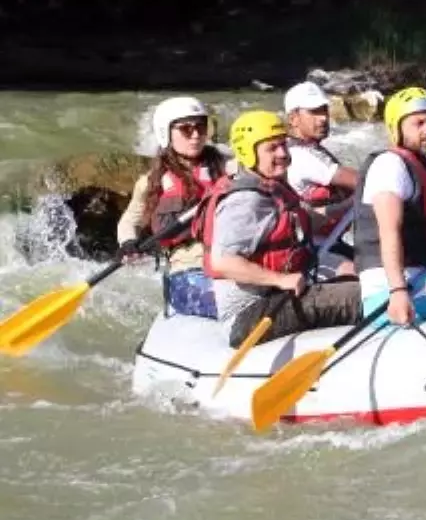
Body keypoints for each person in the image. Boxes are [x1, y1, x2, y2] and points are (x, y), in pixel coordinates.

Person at [197, 110, 362, 347]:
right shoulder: (244, 201)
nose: (283, 154)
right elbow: (223, 262)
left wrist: (350, 205)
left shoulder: (272, 186)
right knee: (359, 297)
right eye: (272, 148)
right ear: (248, 152)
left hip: (277, 296)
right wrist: (280, 279)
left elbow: (305, 220)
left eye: (283, 145)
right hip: (251, 314)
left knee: (363, 277)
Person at [116, 96, 230, 318]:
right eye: (186, 129)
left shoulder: (228, 167)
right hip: (188, 269)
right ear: (166, 133)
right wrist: (128, 242)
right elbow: (131, 220)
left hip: (233, 262)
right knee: (225, 305)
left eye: (200, 126)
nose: (196, 134)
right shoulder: (153, 182)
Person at [354, 87, 426, 326]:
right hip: (390, 290)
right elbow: (388, 230)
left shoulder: (423, 164)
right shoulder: (389, 165)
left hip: (422, 275)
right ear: (397, 127)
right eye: (420, 123)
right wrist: (397, 290)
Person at [282, 81, 358, 242]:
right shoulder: (302, 155)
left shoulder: (305, 148)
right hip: (314, 244)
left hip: (325, 238)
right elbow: (367, 182)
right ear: (293, 118)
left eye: (324, 110)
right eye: (314, 112)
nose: (323, 118)